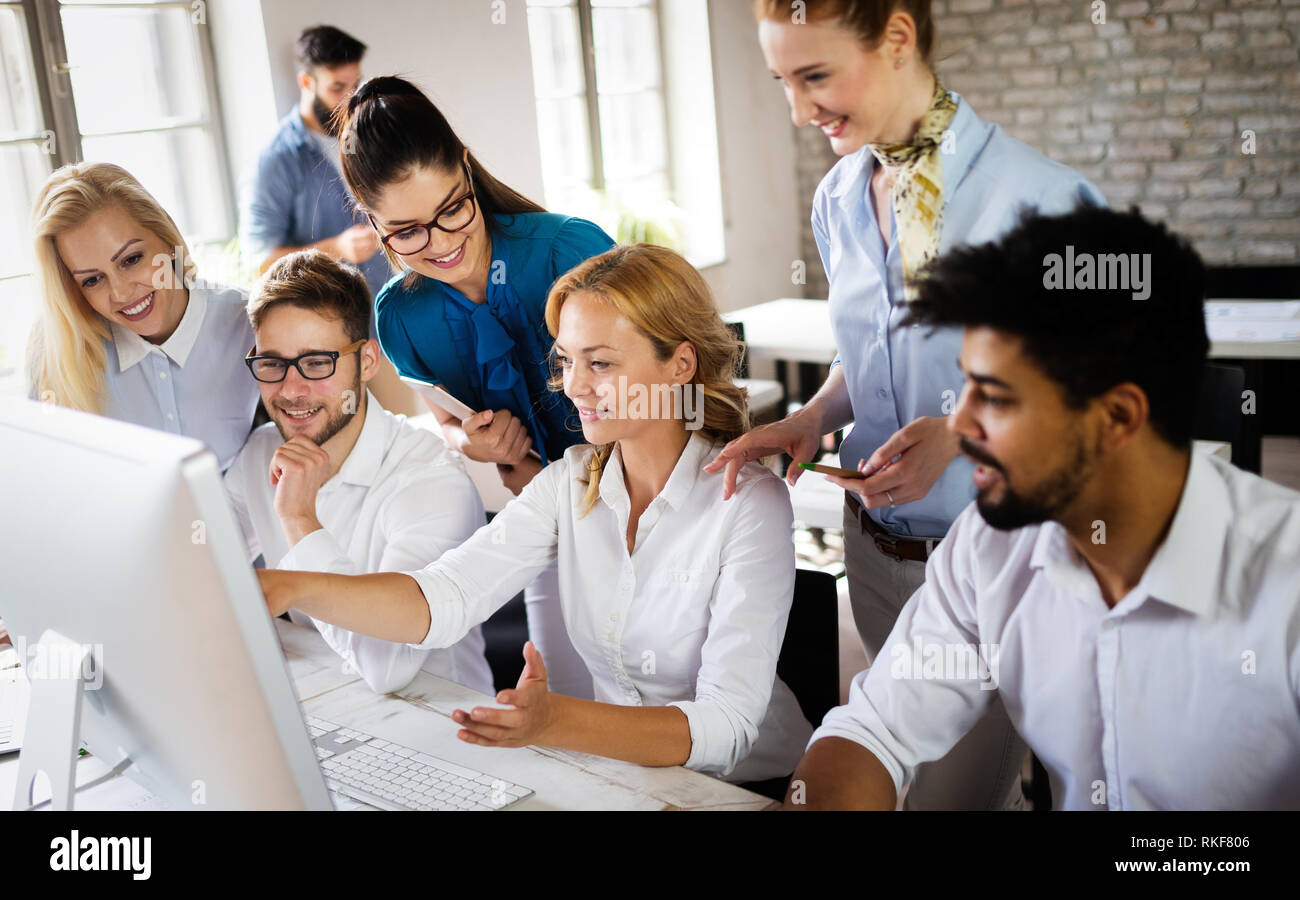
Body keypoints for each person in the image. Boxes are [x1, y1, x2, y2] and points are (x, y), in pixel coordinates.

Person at [707, 0, 1106, 809]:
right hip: (877, 555)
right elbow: (869, 358)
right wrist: (810, 419)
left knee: (951, 798)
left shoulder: (1049, 203)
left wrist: (962, 435)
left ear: (897, 37)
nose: (797, 110)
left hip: (993, 560)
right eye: (782, 81)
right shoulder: (839, 197)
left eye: (815, 76)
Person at [787, 206, 1300, 810]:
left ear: (1118, 416)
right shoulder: (989, 544)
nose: (960, 426)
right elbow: (873, 731)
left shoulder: (1283, 588)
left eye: (997, 399)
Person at [257, 244, 814, 791]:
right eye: (567, 361)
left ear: (680, 364)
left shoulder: (747, 504)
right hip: (632, 783)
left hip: (752, 788)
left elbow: (728, 729)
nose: (574, 386)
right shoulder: (569, 483)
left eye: (600, 363)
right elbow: (443, 597)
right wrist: (293, 585)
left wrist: (557, 722)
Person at [334, 75, 617, 699]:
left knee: (680, 716)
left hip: (645, 511)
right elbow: (447, 423)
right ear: (373, 226)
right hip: (543, 525)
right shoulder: (400, 315)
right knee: (564, 710)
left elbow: (663, 387)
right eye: (405, 232)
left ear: (466, 169)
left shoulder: (569, 248)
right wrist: (475, 444)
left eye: (451, 209)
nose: (440, 244)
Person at [224, 250, 494, 695]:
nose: (291, 390)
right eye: (272, 364)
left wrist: (299, 519)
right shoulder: (261, 452)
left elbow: (387, 668)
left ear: (367, 361)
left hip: (439, 729)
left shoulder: (431, 481)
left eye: (317, 363)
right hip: (327, 705)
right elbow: (197, 569)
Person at [26, 162, 258, 471]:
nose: (121, 293)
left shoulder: (249, 323)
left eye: (131, 259)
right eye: (92, 280)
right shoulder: (60, 356)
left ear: (165, 236)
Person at [240, 25, 386, 296]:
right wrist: (337, 249)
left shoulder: (368, 136)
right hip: (333, 325)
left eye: (356, 85)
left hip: (392, 316)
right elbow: (260, 264)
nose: (351, 99)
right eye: (338, 88)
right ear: (306, 82)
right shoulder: (275, 160)